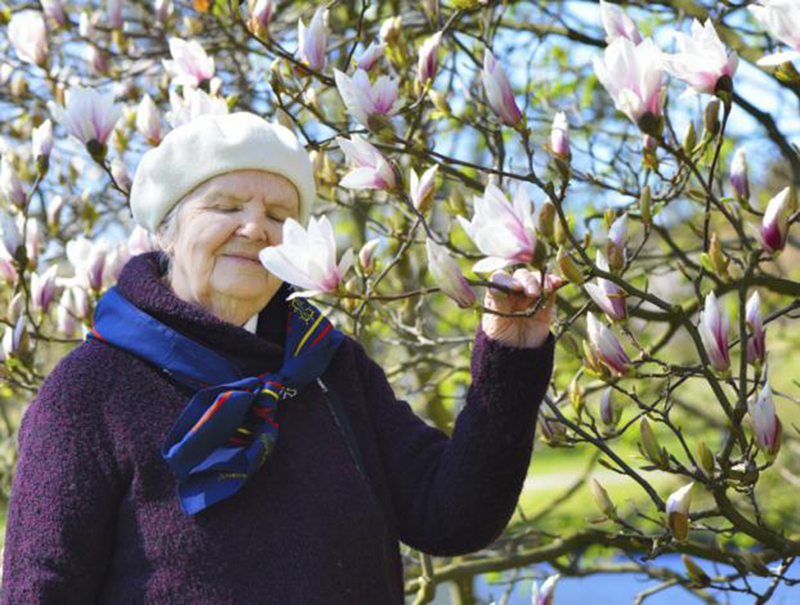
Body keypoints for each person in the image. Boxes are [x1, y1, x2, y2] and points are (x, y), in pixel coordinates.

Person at [1, 112, 558, 604]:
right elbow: (41, 589)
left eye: (278, 212)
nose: (254, 227)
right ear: (166, 232)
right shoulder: (92, 390)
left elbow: (453, 516)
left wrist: (509, 350)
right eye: (224, 205)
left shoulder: (331, 369)